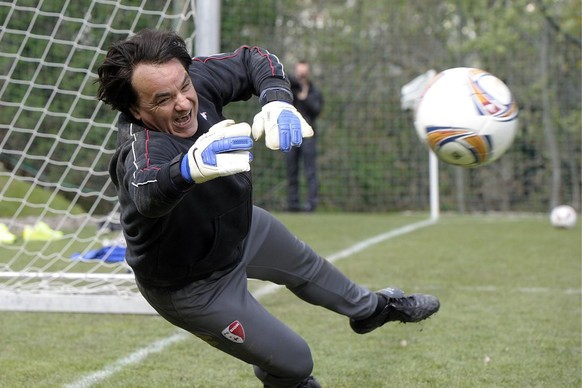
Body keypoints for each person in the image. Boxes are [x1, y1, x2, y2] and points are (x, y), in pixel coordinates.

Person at [98, 29, 439, 388]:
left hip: (241, 228)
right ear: (135, 109)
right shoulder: (141, 148)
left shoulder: (194, 79)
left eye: (184, 85)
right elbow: (147, 194)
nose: (183, 103)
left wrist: (277, 100)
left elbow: (253, 59)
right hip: (191, 284)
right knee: (295, 362)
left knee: (312, 269)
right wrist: (187, 169)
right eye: (163, 99)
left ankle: (373, 311)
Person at [287, 61, 323, 212]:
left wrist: (305, 97)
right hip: (290, 134)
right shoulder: (290, 89)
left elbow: (316, 111)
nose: (301, 76)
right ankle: (292, 204)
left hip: (308, 136)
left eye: (304, 73)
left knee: (310, 171)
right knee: (291, 170)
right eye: (299, 73)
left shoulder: (315, 92)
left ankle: (311, 204)